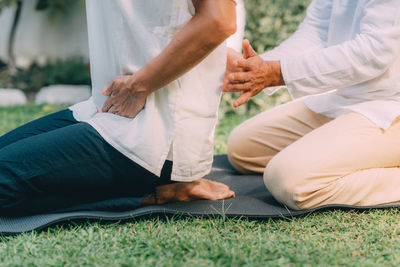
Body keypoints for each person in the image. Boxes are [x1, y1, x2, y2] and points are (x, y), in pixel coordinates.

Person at [0, 0, 238, 216]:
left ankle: (152, 194)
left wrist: (139, 85)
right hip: (106, 110)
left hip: (155, 133)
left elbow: (218, 20)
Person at [225, 0, 400, 210]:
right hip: (350, 98)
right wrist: (252, 67)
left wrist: (275, 73)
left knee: (290, 182)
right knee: (243, 148)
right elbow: (316, 32)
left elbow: (373, 52)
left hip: (391, 106)